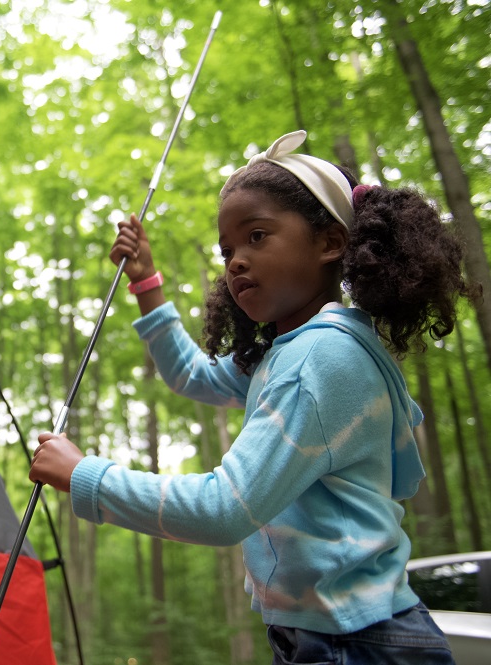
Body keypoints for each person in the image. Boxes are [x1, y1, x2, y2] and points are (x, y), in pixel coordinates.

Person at [28, 130, 479, 664]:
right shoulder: (292, 354)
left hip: (356, 643)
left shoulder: (319, 361)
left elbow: (224, 508)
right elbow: (193, 376)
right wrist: (147, 283)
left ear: (331, 242)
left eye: (257, 236)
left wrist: (86, 476)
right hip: (330, 632)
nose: (236, 261)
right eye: (228, 251)